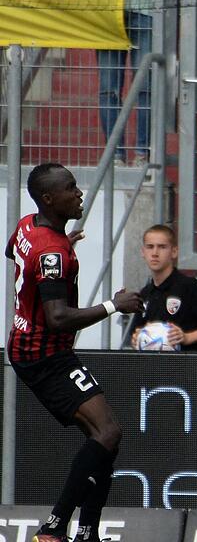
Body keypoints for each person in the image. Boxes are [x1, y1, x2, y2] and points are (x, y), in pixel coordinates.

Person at [5, 163, 144, 542]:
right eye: (70, 188)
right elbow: (58, 318)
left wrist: (61, 250)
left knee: (104, 437)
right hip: (43, 354)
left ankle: (87, 532)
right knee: (109, 430)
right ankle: (55, 528)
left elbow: (13, 253)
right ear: (49, 198)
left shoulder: (28, 225)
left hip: (28, 345)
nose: (78, 192)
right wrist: (115, 306)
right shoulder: (53, 252)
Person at [130, 225, 197, 350]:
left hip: (185, 366)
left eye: (162, 247)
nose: (155, 253)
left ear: (174, 252)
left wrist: (188, 337)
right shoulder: (145, 293)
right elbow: (137, 332)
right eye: (150, 247)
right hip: (154, 367)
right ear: (143, 252)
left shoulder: (188, 287)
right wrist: (137, 339)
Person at [97, 0, 154, 168]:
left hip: (147, 7)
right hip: (108, 9)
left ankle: (143, 153)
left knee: (146, 85)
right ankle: (115, 155)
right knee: (108, 88)